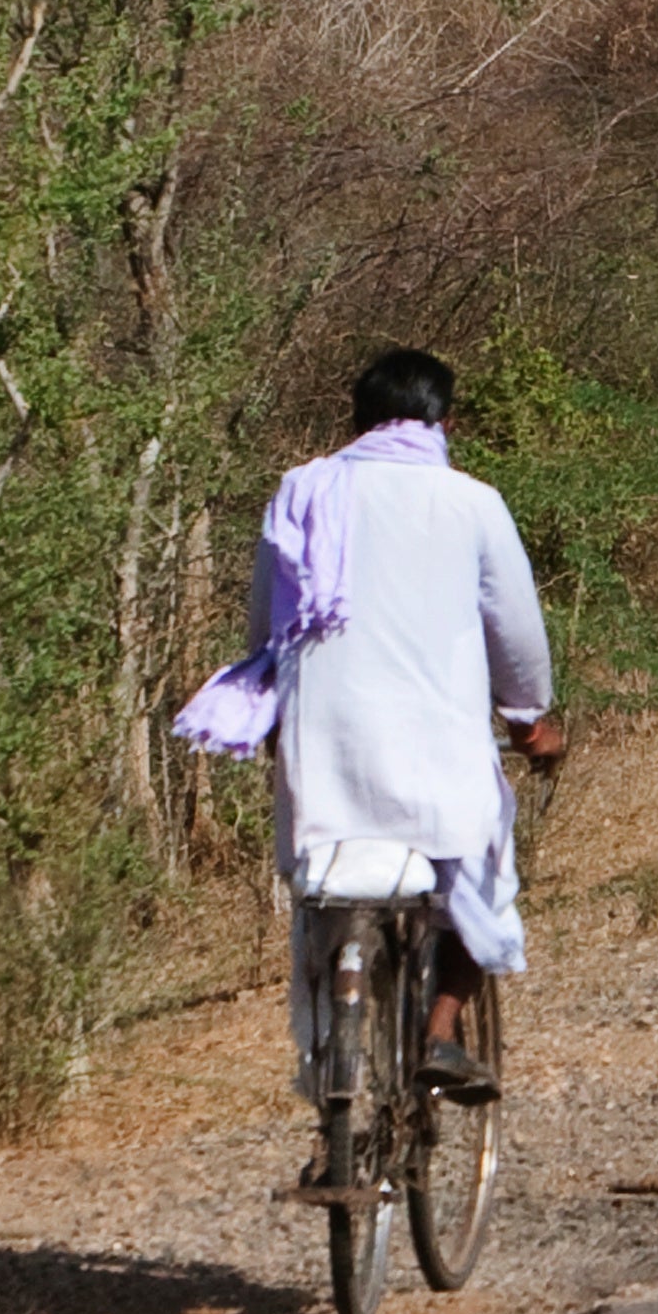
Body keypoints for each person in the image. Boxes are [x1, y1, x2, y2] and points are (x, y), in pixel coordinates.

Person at [172, 348, 562, 1095]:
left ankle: (333, 1066)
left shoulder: (302, 489)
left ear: (356, 422)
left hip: (325, 756)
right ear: (446, 424)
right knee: (478, 877)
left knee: (323, 896)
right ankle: (440, 1032)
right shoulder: (470, 501)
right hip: (437, 754)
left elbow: (265, 627)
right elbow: (515, 632)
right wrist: (528, 722)